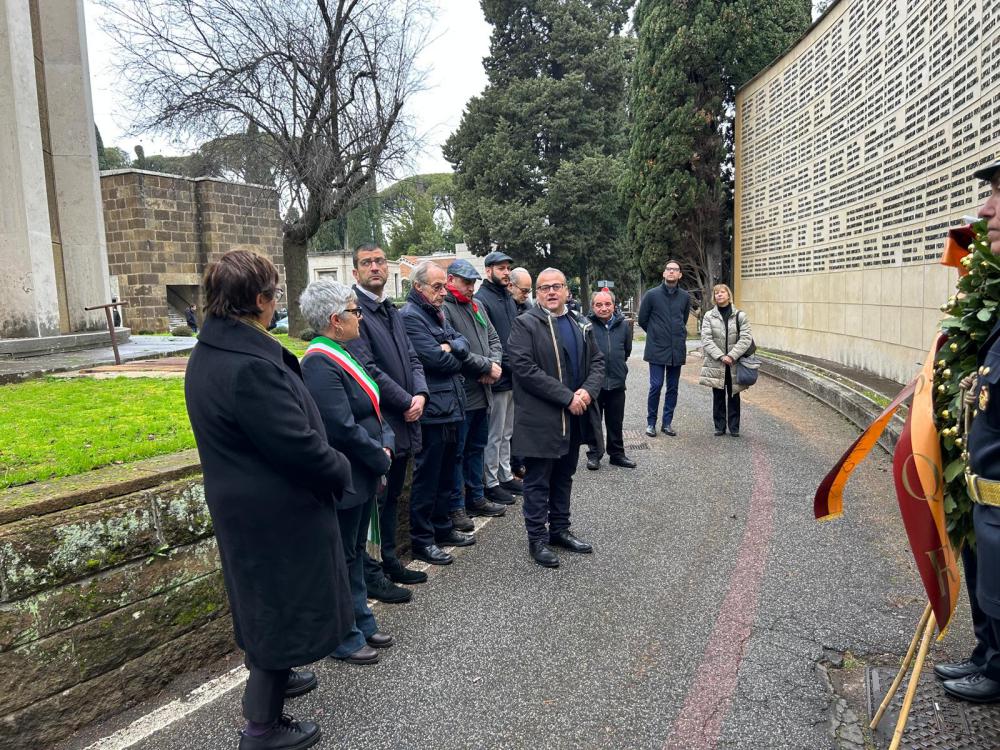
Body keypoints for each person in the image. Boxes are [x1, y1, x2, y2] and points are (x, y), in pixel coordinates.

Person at [184, 249, 353, 750]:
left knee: (267, 603)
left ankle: (276, 674)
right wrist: (341, 469)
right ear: (259, 300)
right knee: (277, 609)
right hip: (274, 511)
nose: (276, 302)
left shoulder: (215, 349)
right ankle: (263, 726)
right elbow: (296, 445)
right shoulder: (248, 366)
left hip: (250, 505)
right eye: (274, 293)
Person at [300, 280, 395, 667]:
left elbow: (371, 407)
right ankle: (343, 635)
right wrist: (380, 455)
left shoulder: (344, 352)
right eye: (355, 312)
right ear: (336, 320)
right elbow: (340, 426)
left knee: (354, 552)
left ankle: (362, 619)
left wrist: (385, 440)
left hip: (364, 470)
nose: (360, 317)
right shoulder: (319, 362)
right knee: (340, 558)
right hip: (347, 476)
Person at [939, 160, 1000, 704]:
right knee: (988, 587)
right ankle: (989, 657)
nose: (985, 210)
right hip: (987, 498)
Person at [344, 243, 428, 604]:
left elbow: (411, 356)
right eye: (367, 263)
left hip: (407, 418)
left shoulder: (390, 309)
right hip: (382, 422)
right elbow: (368, 368)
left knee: (393, 496)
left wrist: (420, 394)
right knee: (376, 504)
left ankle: (391, 560)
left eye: (380, 261)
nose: (375, 267)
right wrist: (406, 400)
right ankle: (374, 572)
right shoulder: (354, 312)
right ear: (355, 272)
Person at [508, 267, 604, 568]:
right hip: (542, 419)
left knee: (564, 476)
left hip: (575, 416)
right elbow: (524, 368)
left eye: (557, 286)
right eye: (545, 287)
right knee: (538, 481)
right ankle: (537, 538)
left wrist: (586, 393)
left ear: (566, 291)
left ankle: (560, 530)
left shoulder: (579, 322)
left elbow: (598, 361)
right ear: (537, 293)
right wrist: (568, 397)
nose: (551, 292)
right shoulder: (525, 324)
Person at [400, 261, 477, 565]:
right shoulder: (410, 317)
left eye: (444, 286)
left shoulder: (437, 312)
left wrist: (451, 347)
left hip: (451, 404)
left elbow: (463, 343)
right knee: (427, 477)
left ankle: (443, 528)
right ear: (418, 287)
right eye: (437, 286)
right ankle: (422, 539)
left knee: (447, 473)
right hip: (433, 410)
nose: (443, 291)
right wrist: (450, 350)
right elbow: (435, 360)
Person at [442, 260, 507, 530]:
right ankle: (457, 507)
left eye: (473, 282)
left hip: (483, 391)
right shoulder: (444, 309)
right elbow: (456, 350)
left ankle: (477, 497)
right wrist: (486, 367)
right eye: (466, 282)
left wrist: (494, 364)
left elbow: (494, 340)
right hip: (463, 394)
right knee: (458, 453)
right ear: (450, 280)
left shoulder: (477, 306)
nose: (471, 287)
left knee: (477, 448)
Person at [475, 251, 523, 505]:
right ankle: (491, 481)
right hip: (497, 378)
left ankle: (505, 475)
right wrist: (497, 367)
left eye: (507, 268)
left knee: (507, 432)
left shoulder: (507, 297)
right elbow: (488, 341)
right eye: (501, 268)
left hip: (513, 375)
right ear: (488, 271)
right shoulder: (482, 299)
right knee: (494, 434)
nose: (506, 272)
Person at [638, 260, 691, 438]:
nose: (671, 272)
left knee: (673, 388)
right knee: (656, 385)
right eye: (668, 269)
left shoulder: (685, 297)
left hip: (676, 349)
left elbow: (682, 320)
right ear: (663, 273)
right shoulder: (652, 295)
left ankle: (667, 423)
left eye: (675, 270)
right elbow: (642, 320)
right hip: (657, 349)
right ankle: (651, 423)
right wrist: (655, 334)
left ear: (679, 275)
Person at [585, 289, 636, 470]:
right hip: (594, 384)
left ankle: (617, 454)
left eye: (607, 304)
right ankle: (594, 454)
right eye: (599, 305)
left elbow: (627, 351)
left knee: (616, 421)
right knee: (594, 422)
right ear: (593, 307)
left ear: (614, 306)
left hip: (616, 381)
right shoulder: (586, 325)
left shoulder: (623, 325)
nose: (603, 308)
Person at [698, 284, 753, 437]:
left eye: (722, 292)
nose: (719, 295)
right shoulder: (709, 316)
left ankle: (734, 427)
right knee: (718, 394)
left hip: (734, 363)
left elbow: (746, 338)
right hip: (717, 362)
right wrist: (721, 356)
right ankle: (719, 426)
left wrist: (732, 355)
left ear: (729, 295)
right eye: (716, 293)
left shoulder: (740, 315)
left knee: (734, 394)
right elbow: (706, 339)